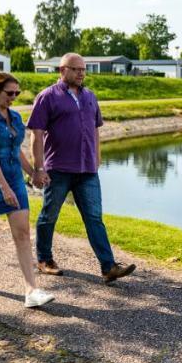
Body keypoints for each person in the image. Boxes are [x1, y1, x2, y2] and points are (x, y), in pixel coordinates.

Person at [28, 53, 136, 283]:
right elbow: (36, 133)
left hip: (87, 170)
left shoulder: (90, 96)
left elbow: (96, 129)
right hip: (58, 169)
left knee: (94, 218)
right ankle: (44, 259)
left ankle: (109, 267)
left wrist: (97, 158)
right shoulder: (47, 97)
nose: (81, 73)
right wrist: (38, 168)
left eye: (83, 70)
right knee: (49, 215)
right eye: (76, 69)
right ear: (62, 70)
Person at [0, 69, 54, 307]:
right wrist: (4, 189)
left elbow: (17, 151)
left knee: (23, 234)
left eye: (17, 93)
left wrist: (33, 173)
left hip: (14, 180)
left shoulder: (15, 118)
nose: (14, 97)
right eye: (9, 93)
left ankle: (31, 291)